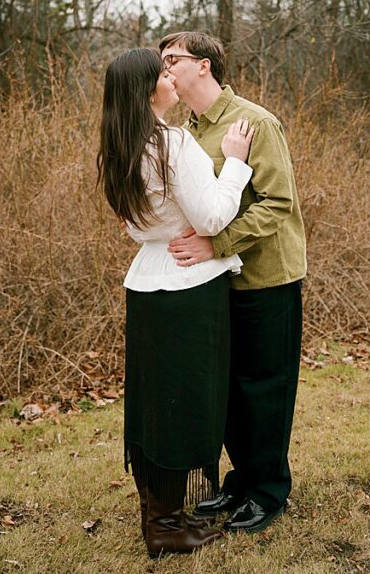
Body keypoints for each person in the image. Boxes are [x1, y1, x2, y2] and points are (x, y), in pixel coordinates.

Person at [97, 47, 254, 557]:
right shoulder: (171, 141)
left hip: (147, 283)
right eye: (163, 73)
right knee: (183, 404)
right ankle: (165, 527)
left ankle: (159, 516)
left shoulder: (119, 147)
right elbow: (210, 219)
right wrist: (235, 164)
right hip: (189, 286)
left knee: (153, 405)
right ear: (149, 89)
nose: (171, 78)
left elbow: (135, 227)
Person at [157, 31, 307, 534]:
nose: (165, 70)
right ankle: (240, 483)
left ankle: (268, 492)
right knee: (228, 390)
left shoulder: (255, 122)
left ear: (204, 65)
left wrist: (216, 244)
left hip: (266, 278)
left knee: (265, 387)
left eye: (172, 60)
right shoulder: (185, 133)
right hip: (214, 284)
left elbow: (278, 203)